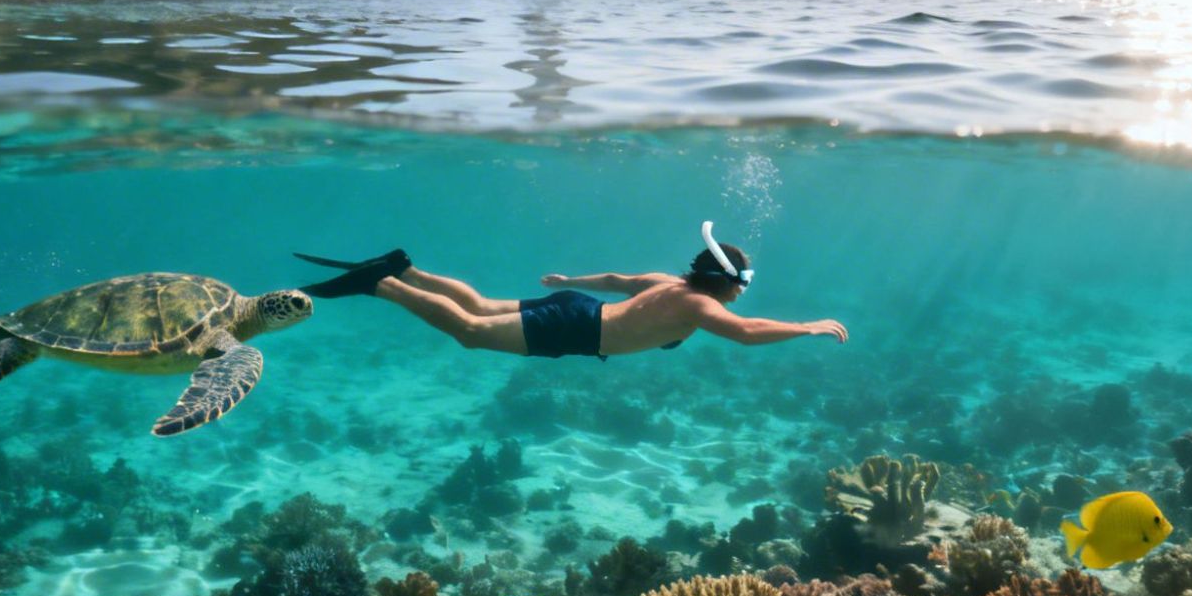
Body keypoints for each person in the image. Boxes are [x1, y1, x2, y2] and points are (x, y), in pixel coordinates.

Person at [297, 222, 848, 359]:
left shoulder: (669, 283)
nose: (745, 292)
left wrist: (568, 283)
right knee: (469, 331)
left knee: (483, 304)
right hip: (580, 329)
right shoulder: (698, 303)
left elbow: (617, 282)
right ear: (725, 280)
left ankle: (406, 268)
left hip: (583, 308)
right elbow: (747, 333)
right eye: (744, 282)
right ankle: (385, 285)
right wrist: (806, 327)